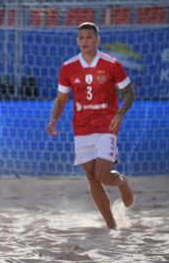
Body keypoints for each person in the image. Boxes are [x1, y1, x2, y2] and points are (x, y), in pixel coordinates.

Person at [46, 22, 136, 230]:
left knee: (103, 175)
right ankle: (111, 225)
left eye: (89, 37)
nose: (85, 41)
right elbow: (60, 100)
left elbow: (130, 92)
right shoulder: (68, 66)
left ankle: (122, 182)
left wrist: (121, 114)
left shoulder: (111, 64)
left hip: (107, 125)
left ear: (98, 40)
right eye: (81, 38)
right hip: (82, 128)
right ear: (77, 41)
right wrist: (54, 120)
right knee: (91, 176)